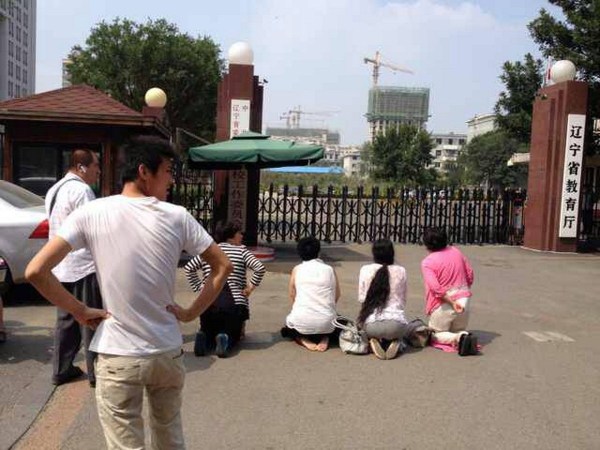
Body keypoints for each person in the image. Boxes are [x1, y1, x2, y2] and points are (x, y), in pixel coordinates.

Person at [26, 136, 232, 449]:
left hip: (117, 354)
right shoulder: (177, 216)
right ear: (144, 171)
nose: (171, 180)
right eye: (167, 171)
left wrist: (80, 310)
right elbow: (222, 266)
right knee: (170, 439)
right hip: (166, 352)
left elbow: (36, 271)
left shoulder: (92, 213)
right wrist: (191, 313)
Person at [45, 149, 102, 387]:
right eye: (96, 166)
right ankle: (96, 373)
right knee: (90, 319)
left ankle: (61, 369)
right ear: (81, 167)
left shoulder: (54, 189)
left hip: (61, 266)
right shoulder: (82, 191)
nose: (98, 171)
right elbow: (92, 229)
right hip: (82, 265)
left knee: (66, 319)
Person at [185, 222, 266, 358]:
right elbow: (260, 268)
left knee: (208, 327)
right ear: (231, 237)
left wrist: (200, 288)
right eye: (239, 233)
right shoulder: (241, 251)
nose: (242, 236)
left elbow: (189, 268)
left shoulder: (209, 251)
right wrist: (250, 288)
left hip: (207, 302)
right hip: (234, 303)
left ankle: (204, 336)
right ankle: (225, 338)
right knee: (234, 333)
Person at [420, 227, 478, 356]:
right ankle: (464, 335)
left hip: (443, 303)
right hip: (464, 299)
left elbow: (436, 289)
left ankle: (459, 338)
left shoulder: (427, 262)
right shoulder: (456, 252)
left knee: (435, 334)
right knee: (458, 328)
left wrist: (452, 302)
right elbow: (470, 274)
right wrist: (463, 291)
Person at [281, 236, 340, 352]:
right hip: (326, 323)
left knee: (289, 328)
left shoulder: (297, 269)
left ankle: (302, 339)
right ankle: (325, 337)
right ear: (318, 252)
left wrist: (298, 308)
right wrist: (328, 307)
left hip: (302, 321)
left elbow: (292, 294)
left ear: (300, 253)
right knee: (338, 322)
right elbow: (337, 294)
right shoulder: (329, 269)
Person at [357, 239, 409, 360]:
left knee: (364, 328)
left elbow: (362, 298)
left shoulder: (365, 269)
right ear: (392, 253)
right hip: (397, 325)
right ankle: (396, 341)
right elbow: (403, 300)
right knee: (402, 331)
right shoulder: (401, 270)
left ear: (374, 253)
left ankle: (373, 339)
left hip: (372, 325)